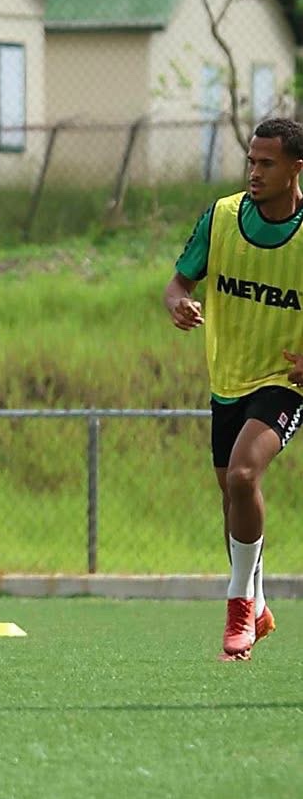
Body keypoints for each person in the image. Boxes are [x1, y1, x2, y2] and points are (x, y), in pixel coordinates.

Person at [164, 116, 303, 661]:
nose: (255, 172)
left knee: (244, 474)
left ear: (296, 168)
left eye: (267, 163)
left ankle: (238, 606)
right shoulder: (222, 217)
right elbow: (180, 280)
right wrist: (178, 302)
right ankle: (260, 604)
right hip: (226, 378)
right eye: (251, 161)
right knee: (232, 494)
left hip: (284, 381)